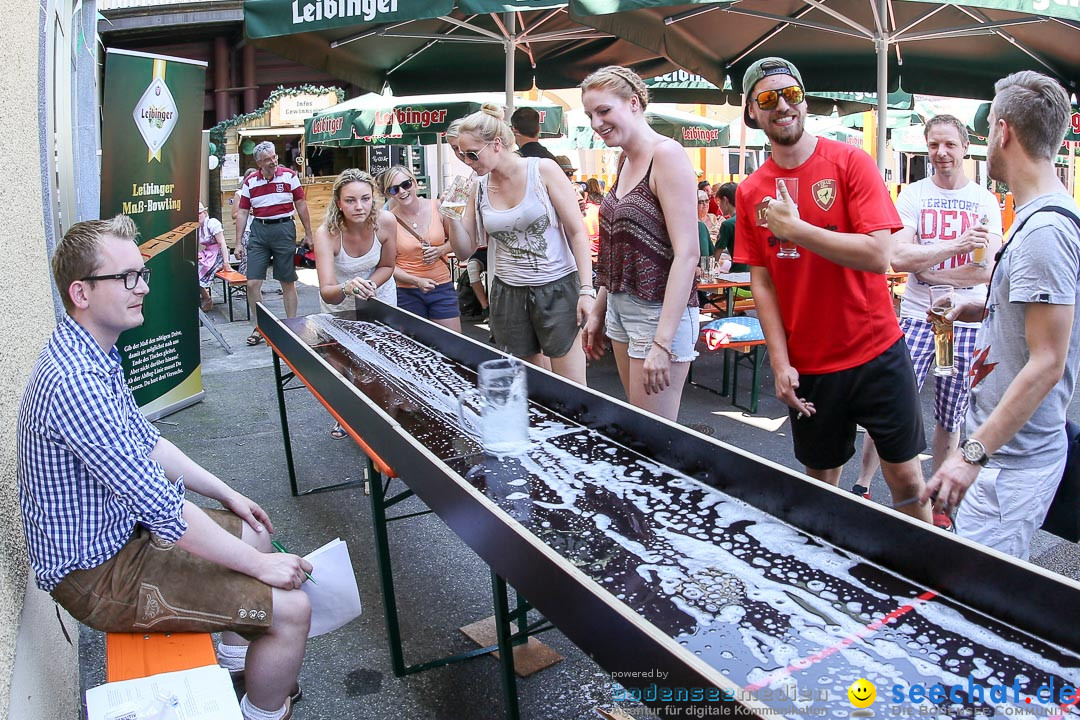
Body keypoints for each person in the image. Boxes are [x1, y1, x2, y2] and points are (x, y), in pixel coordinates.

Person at [17, 215, 312, 720]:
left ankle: (239, 659)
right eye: (126, 277)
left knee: (252, 529)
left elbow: (147, 442)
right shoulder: (76, 382)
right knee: (293, 611)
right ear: (81, 293)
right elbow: (162, 510)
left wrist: (227, 494)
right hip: (95, 575)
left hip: (121, 538)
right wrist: (259, 568)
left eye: (143, 274)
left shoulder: (90, 352)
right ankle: (264, 710)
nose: (142, 288)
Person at [733, 57, 930, 522]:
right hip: (812, 367)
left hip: (877, 352)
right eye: (767, 98)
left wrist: (797, 230)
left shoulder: (849, 162)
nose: (782, 105)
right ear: (752, 114)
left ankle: (936, 584)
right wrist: (779, 364)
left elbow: (880, 255)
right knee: (821, 485)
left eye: (792, 94)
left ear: (804, 101)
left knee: (907, 481)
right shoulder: (750, 191)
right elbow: (762, 282)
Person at [924, 71, 1080, 559]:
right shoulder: (1035, 217)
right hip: (1003, 455)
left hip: (1011, 462)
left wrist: (971, 455)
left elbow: (1048, 362)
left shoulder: (1043, 232)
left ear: (1004, 132)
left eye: (988, 126)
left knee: (971, 603)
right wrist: (985, 308)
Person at [855, 115, 1002, 528]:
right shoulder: (913, 196)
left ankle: (938, 502)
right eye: (934, 145)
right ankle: (863, 485)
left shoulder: (984, 200)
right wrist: (956, 246)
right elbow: (898, 258)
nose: (941, 153)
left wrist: (931, 266)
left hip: (966, 321)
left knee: (950, 416)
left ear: (965, 147)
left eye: (949, 145)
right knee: (891, 402)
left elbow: (986, 270)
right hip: (920, 319)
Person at [579, 66, 700, 420]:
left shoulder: (668, 154)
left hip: (659, 313)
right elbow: (615, 252)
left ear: (633, 103)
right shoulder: (625, 159)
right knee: (638, 428)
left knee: (654, 439)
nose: (596, 123)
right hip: (620, 306)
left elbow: (688, 253)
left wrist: (662, 342)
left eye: (604, 111)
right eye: (590, 115)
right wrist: (600, 309)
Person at [450, 103, 593, 385]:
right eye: (460, 154)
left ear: (496, 144)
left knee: (572, 386)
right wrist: (451, 215)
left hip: (557, 284)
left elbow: (577, 231)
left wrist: (586, 289)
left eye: (471, 154)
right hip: (508, 291)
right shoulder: (477, 185)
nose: (467, 161)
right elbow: (463, 251)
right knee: (531, 385)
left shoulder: (543, 170)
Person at [315, 169, 398, 439]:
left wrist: (371, 284)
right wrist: (346, 287)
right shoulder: (327, 233)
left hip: (379, 295)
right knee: (340, 362)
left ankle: (379, 414)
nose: (359, 206)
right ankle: (345, 416)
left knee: (378, 359)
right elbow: (328, 291)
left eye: (365, 198)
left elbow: (387, 265)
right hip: (340, 302)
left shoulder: (386, 221)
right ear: (338, 203)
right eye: (350, 200)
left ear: (374, 198)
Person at [235, 141, 315, 347]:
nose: (273, 162)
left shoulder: (289, 176)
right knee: (252, 282)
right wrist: (238, 243)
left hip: (284, 228)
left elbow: (301, 204)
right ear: (258, 162)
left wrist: (309, 234)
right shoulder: (250, 182)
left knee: (286, 280)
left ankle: (291, 325)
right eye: (267, 160)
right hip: (259, 231)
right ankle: (260, 326)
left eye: (274, 157)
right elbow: (242, 212)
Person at [381, 165, 464, 332]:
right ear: (389, 194)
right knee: (416, 348)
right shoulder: (388, 220)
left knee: (452, 344)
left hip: (441, 285)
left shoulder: (438, 207)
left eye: (406, 184)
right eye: (394, 189)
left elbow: (457, 242)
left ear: (414, 183)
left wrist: (441, 250)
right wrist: (416, 281)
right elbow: (387, 265)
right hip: (406, 291)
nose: (402, 191)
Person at [197, 202, 232, 312]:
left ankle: (207, 299)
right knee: (191, 268)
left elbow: (222, 243)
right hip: (208, 253)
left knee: (199, 271)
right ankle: (204, 297)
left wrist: (226, 262)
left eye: (199, 213)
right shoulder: (198, 228)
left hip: (219, 255)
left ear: (205, 213)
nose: (198, 216)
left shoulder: (212, 223)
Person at [714, 181, 745, 273]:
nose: (718, 206)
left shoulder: (727, 224)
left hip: (738, 275)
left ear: (725, 200)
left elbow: (716, 254)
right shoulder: (753, 218)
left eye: (719, 201)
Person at [231, 168, 257, 276]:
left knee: (257, 260)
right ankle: (241, 285)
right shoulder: (240, 193)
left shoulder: (259, 192)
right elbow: (234, 215)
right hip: (246, 229)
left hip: (258, 228)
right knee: (246, 259)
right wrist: (246, 211)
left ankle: (254, 286)